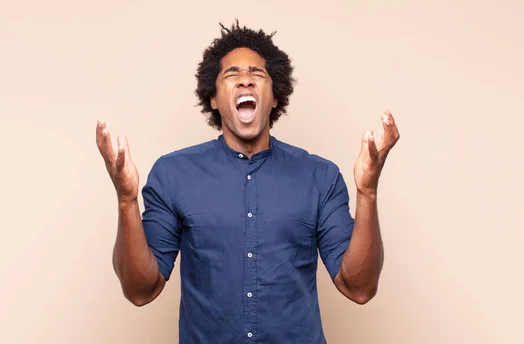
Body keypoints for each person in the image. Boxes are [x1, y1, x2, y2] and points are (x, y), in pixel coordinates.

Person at [95, 21, 400, 344]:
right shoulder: (173, 174)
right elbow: (140, 290)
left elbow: (360, 288)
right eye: (231, 75)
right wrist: (126, 201)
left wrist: (367, 192)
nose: (244, 80)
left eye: (257, 74)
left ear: (275, 98)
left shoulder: (319, 177)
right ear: (213, 99)